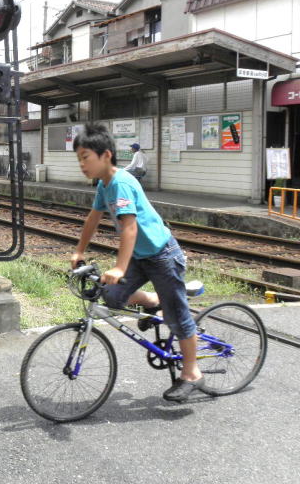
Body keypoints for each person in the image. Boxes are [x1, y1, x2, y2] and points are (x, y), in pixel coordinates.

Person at [69, 123, 203, 403]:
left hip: (163, 255)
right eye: (78, 158)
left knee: (177, 318)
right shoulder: (104, 185)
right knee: (113, 295)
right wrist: (79, 250)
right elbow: (93, 218)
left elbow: (129, 228)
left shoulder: (122, 183)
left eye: (85, 157)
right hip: (142, 258)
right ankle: (153, 300)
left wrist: (119, 267)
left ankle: (192, 373)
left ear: (106, 155)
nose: (81, 164)